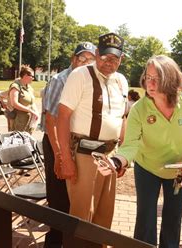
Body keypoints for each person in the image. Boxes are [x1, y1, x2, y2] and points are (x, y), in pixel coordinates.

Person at [103, 55, 182, 247]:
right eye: (148, 77)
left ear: (171, 79)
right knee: (146, 217)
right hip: (148, 168)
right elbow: (131, 145)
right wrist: (117, 162)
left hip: (179, 170)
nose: (150, 82)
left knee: (173, 217)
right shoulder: (139, 109)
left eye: (157, 77)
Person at [56, 32, 128, 248]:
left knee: (104, 217)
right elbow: (62, 117)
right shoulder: (80, 75)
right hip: (83, 154)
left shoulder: (122, 81)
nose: (109, 62)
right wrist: (65, 159)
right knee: (81, 217)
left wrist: (122, 156)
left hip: (110, 156)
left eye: (115, 58)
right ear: (97, 54)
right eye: (105, 57)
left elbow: (122, 118)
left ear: (121, 59)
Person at [40, 41, 96, 248]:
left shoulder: (88, 80)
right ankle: (54, 243)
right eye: (82, 58)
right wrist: (60, 156)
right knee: (59, 201)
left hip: (75, 145)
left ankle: (71, 241)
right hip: (56, 143)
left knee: (74, 199)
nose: (86, 63)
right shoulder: (60, 80)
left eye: (91, 59)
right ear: (74, 59)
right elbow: (51, 122)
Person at [8, 65, 38, 134]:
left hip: (29, 121)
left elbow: (32, 102)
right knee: (17, 141)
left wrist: (35, 112)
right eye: (32, 76)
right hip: (19, 121)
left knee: (27, 141)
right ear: (25, 75)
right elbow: (14, 103)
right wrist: (29, 110)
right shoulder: (15, 86)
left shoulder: (29, 88)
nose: (33, 78)